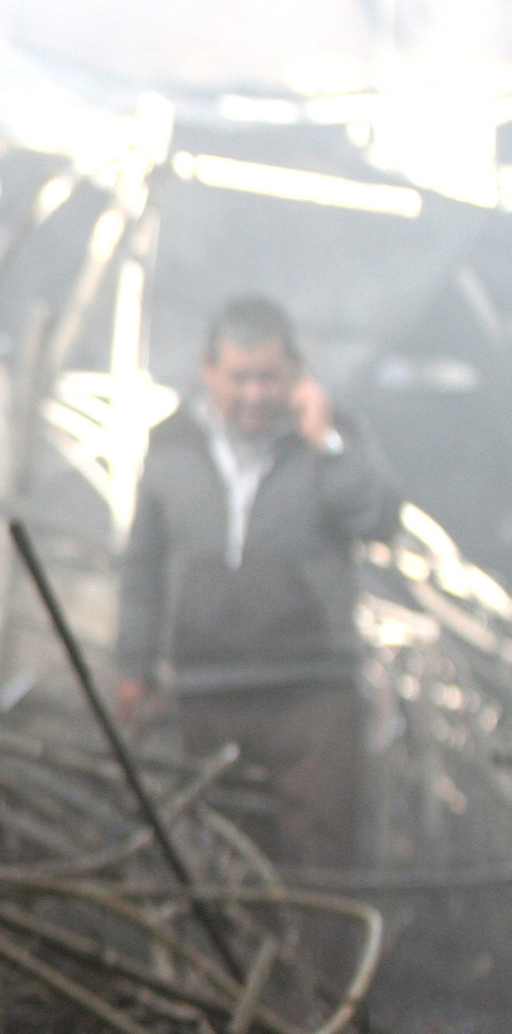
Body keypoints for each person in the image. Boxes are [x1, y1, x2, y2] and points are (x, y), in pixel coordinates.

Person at [116, 296, 399, 872]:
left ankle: (327, 967)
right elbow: (142, 566)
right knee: (223, 855)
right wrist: (133, 666)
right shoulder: (171, 444)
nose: (253, 394)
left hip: (311, 691)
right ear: (208, 370)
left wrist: (327, 442)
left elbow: (378, 520)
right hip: (205, 689)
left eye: (268, 377)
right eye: (238, 377)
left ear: (297, 370)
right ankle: (237, 966)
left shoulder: (335, 436)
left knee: (322, 858)